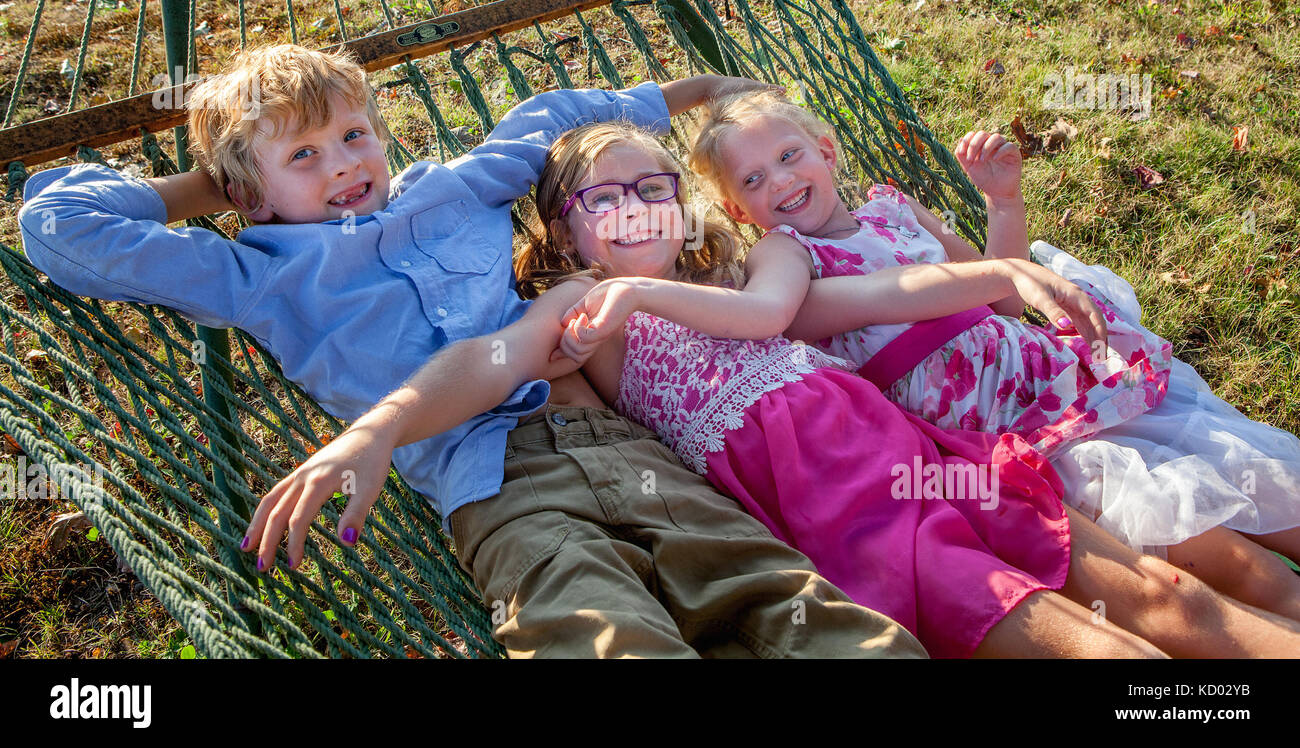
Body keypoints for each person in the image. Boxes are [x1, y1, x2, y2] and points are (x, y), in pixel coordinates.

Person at [18, 44, 926, 659]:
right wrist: (211, 187)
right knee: (595, 631)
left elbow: (549, 117)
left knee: (777, 592)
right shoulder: (256, 274)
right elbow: (61, 229)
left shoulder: (449, 191)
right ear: (249, 193)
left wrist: (693, 95)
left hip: (632, 445)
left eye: (353, 134)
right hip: (494, 488)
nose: (343, 163)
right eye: (303, 156)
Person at [518, 120, 1300, 657]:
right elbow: (491, 358)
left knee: (1175, 598)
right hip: (859, 522)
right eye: (601, 198)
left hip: (945, 459)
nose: (634, 211)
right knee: (1100, 648)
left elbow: (884, 293)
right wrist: (387, 428)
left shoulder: (752, 280)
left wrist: (1004, 268)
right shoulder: (584, 312)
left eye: (653, 187)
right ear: (561, 231)